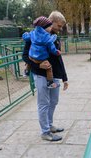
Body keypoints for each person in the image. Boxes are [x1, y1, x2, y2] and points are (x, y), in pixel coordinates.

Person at [22, 11, 68, 141]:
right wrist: (37, 66)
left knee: (54, 101)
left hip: (54, 75)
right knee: (44, 103)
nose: (60, 29)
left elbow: (58, 58)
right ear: (51, 21)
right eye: (58, 26)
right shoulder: (34, 35)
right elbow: (25, 56)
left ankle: (50, 124)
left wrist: (64, 77)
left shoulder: (54, 37)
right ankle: (45, 131)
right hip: (41, 74)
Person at [22, 16, 61, 88]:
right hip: (41, 59)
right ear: (44, 27)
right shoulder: (47, 37)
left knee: (29, 61)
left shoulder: (33, 33)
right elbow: (51, 47)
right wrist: (56, 52)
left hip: (31, 56)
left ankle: (26, 71)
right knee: (49, 68)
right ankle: (50, 82)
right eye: (49, 27)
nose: (51, 28)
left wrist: (24, 35)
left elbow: (26, 38)